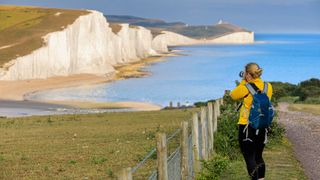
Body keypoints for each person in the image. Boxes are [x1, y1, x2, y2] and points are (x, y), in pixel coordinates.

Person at [230, 62, 273, 180]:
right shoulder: (267, 86)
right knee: (258, 156)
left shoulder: (246, 87)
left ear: (248, 74)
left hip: (247, 126)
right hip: (263, 125)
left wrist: (245, 81)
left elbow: (232, 95)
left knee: (249, 157)